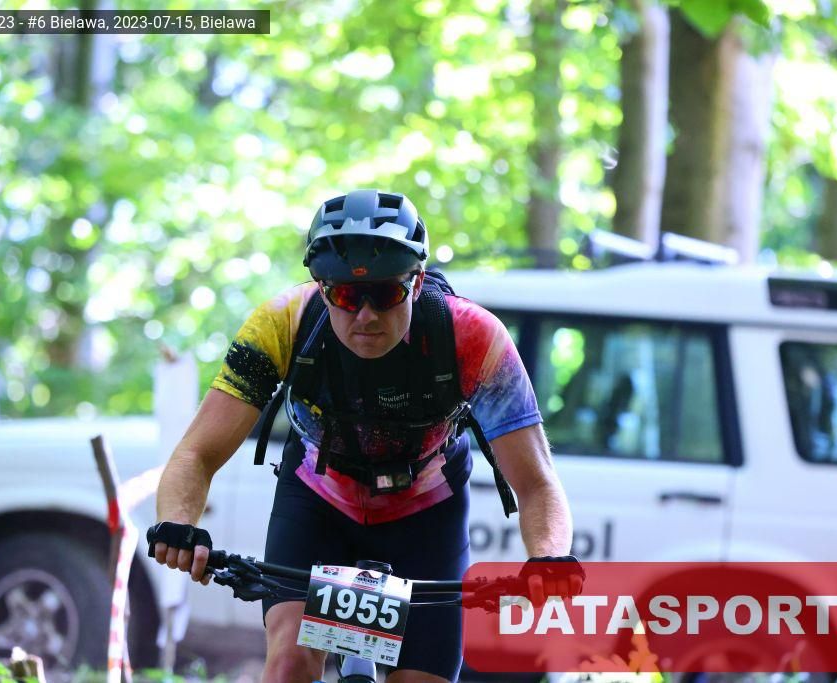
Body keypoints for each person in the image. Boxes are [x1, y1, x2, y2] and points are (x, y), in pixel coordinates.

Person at [151, 189, 577, 683]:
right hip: (318, 502)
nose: (366, 315)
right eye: (348, 296)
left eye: (386, 293)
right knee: (290, 661)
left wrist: (549, 557)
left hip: (426, 514)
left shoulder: (473, 337)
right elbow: (197, 453)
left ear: (417, 282)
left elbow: (536, 482)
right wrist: (177, 523)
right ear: (322, 289)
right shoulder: (281, 323)